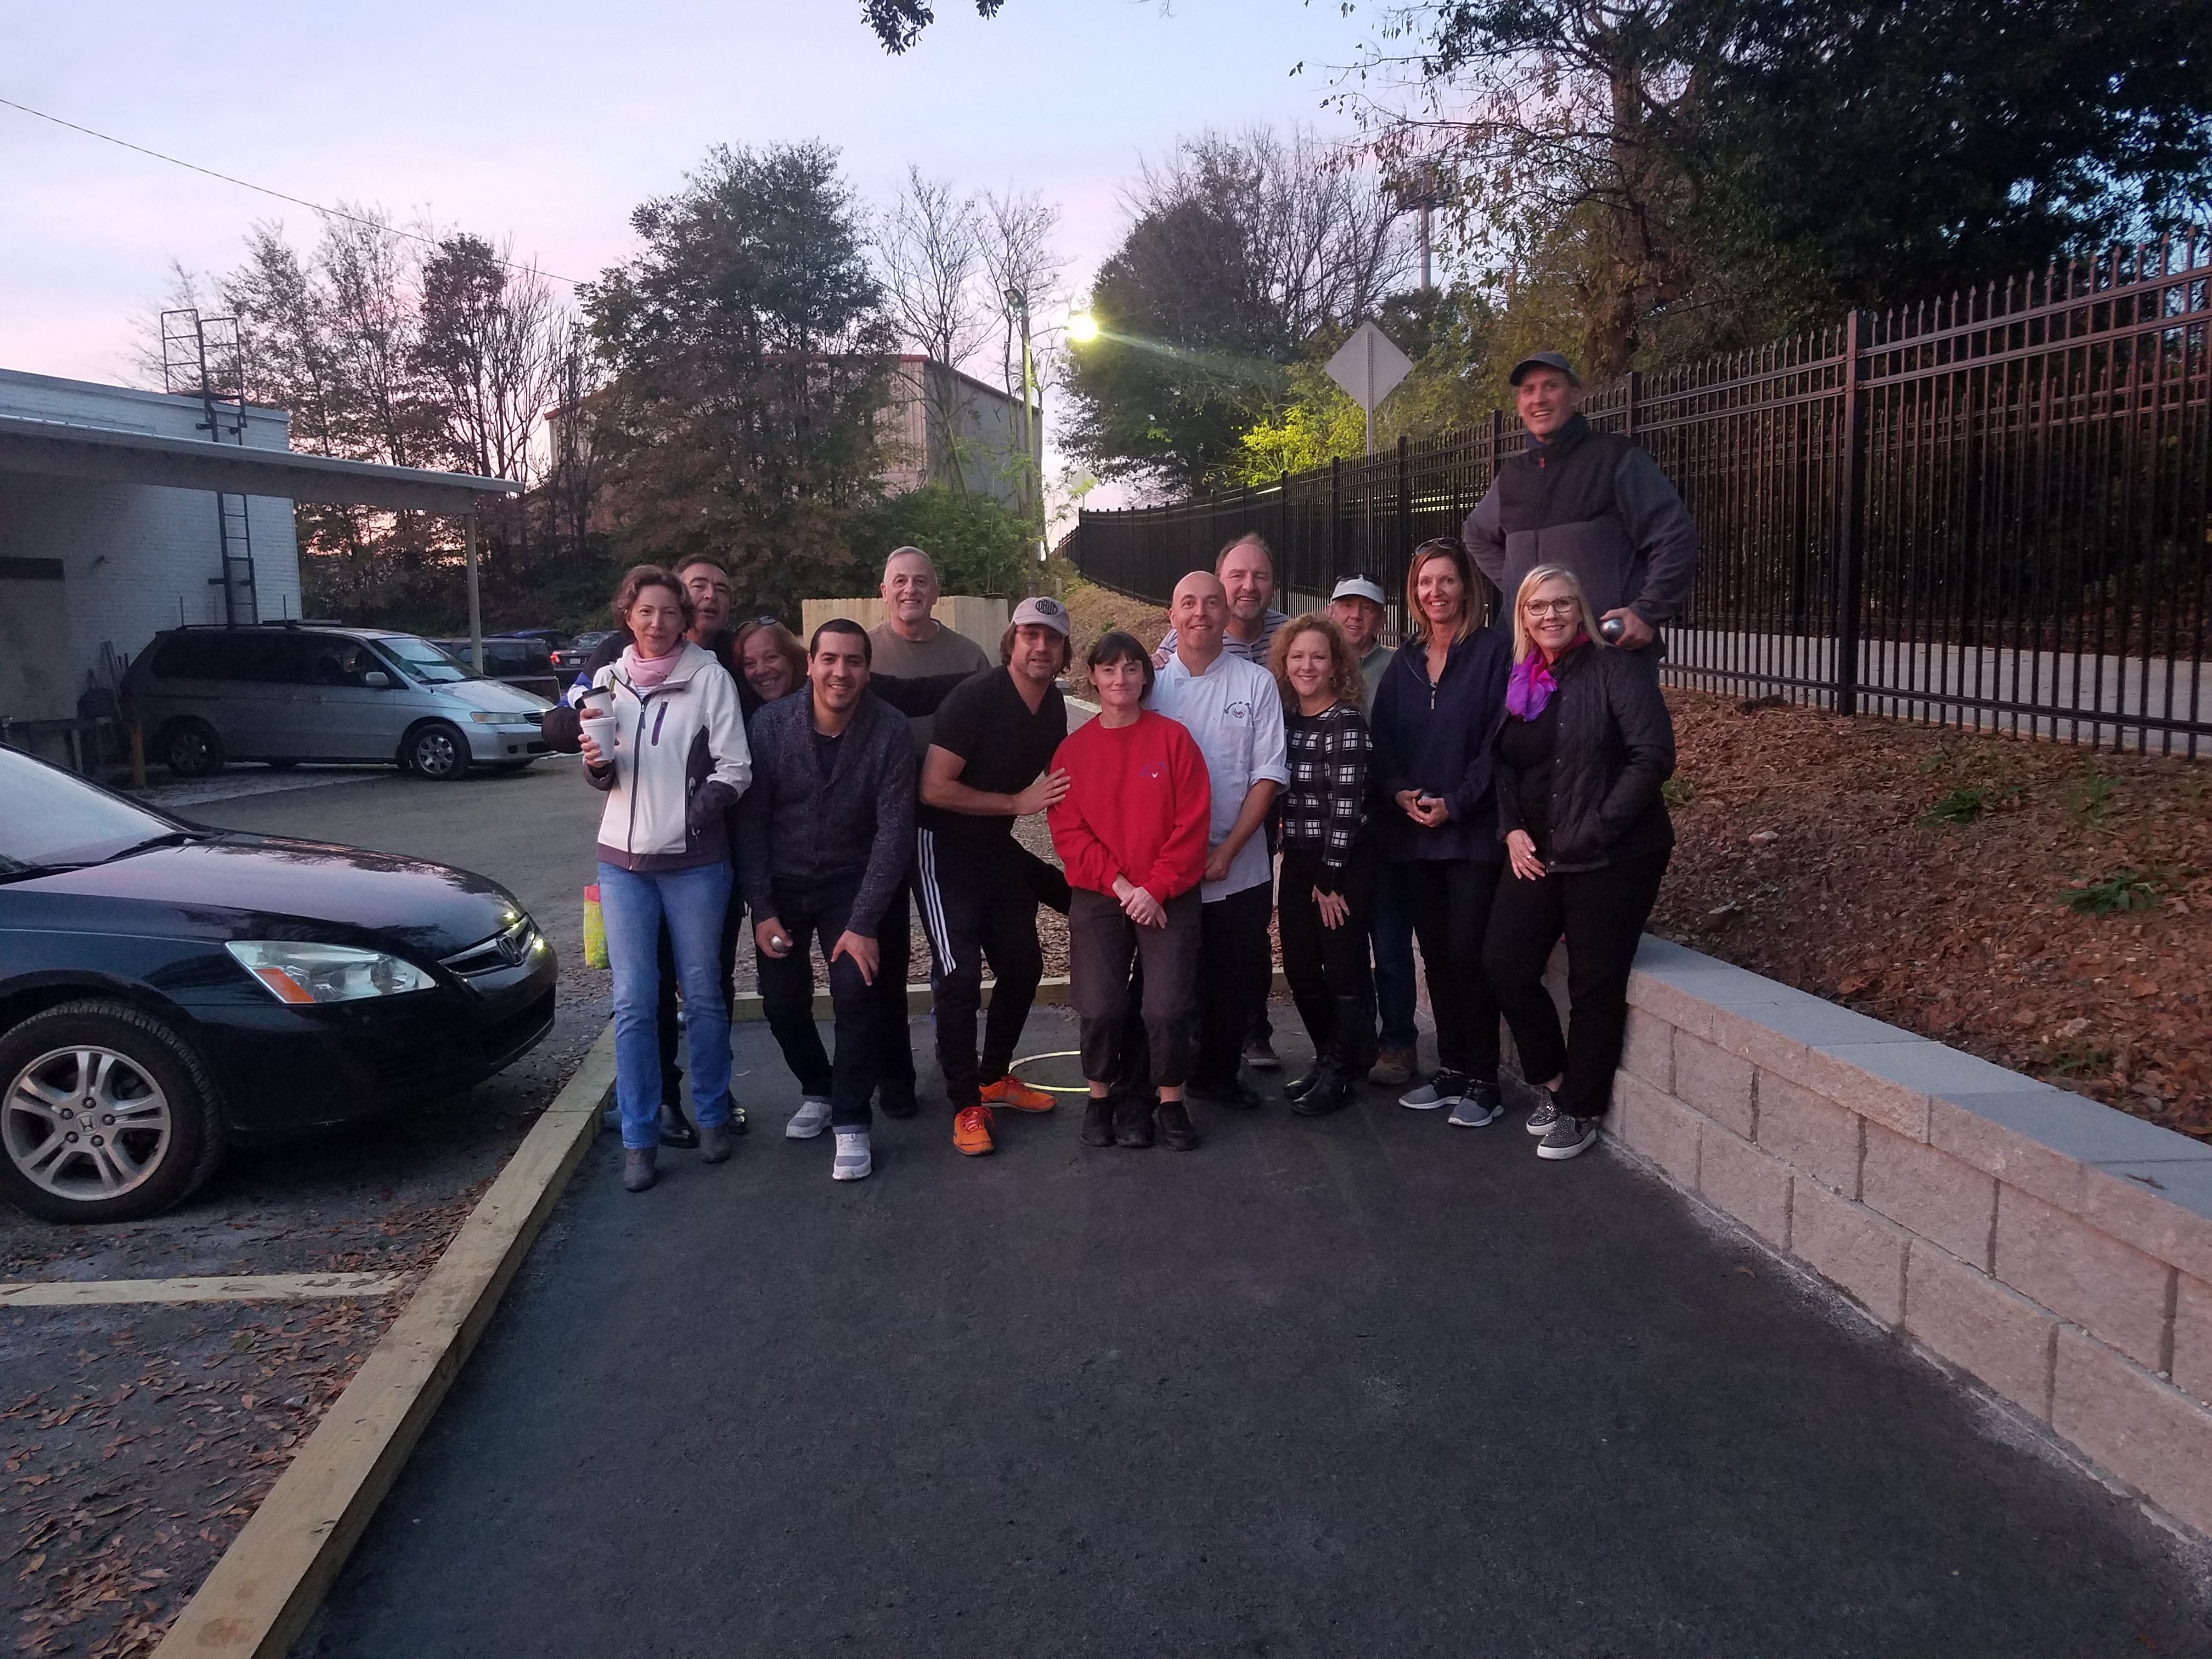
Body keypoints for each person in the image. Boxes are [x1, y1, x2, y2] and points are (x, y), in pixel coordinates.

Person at [550, 553, 747, 1149]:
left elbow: (736, 767)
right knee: (634, 1000)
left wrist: (695, 810)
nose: (657, 623)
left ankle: (712, 1115)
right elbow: (603, 769)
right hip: (623, 865)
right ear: (628, 617)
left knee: (704, 995)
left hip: (695, 864)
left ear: (683, 619)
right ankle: (640, 1133)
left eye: (668, 613)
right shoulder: (609, 681)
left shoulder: (710, 678)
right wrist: (596, 766)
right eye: (645, 612)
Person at [1484, 565, 1677, 1161]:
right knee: (1504, 963)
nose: (1551, 615)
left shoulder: (1614, 668)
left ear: (1581, 610)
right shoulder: (1523, 679)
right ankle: (1554, 1082)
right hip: (1541, 850)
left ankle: (1581, 1108)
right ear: (1522, 616)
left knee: (1595, 981)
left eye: (1562, 603)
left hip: (1614, 854)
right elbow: (1502, 764)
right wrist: (1511, 829)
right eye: (1537, 606)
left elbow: (1652, 756)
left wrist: (1597, 828)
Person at [737, 620, 919, 1182]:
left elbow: (895, 832)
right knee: (780, 1003)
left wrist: (864, 921)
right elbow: (751, 824)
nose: (841, 672)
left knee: (856, 995)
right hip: (784, 885)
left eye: (854, 661)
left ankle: (851, 1120)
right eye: (830, 660)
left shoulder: (890, 730)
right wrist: (762, 907)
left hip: (852, 883)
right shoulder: (770, 726)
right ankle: (819, 1087)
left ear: (868, 670)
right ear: (811, 665)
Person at [915, 596, 1076, 1157]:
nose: (1040, 646)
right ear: (1012, 641)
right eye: (1030, 634)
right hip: (940, 847)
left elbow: (1066, 782)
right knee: (958, 977)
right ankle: (965, 1105)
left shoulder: (1053, 705)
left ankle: (992, 1077)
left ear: (1063, 652)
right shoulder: (976, 697)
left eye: (1052, 638)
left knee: (1024, 966)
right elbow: (933, 789)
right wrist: (1016, 802)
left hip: (993, 847)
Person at [1368, 538, 1513, 1127]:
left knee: (1468, 954)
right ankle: (1451, 1068)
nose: (1436, 592)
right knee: (1436, 956)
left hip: (1472, 836)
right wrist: (1398, 791)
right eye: (1426, 582)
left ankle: (1484, 1079)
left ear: (1466, 586)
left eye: (1447, 580)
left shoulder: (1494, 653)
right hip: (1415, 836)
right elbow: (1384, 741)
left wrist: (1458, 803)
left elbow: (1499, 744)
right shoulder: (1405, 661)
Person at [1048, 632, 1211, 1152]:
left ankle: (1170, 1100)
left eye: (1131, 668)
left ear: (1145, 676)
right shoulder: (1073, 751)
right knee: (1100, 1006)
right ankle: (1101, 1097)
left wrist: (1155, 888)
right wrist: (1122, 886)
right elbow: (1069, 832)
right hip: (1102, 893)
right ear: (1092, 678)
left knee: (1166, 1007)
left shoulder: (1174, 740)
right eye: (1109, 669)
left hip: (1167, 893)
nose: (1120, 678)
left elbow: (1192, 824)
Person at [1147, 571, 1288, 1109]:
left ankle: (1220, 1077)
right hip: (1167, 869)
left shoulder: (1256, 684)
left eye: (1211, 603)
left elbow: (1267, 775)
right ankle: (1162, 1080)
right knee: (1171, 984)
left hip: (1240, 865)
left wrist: (1228, 851)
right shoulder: (1151, 687)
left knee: (1234, 982)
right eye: (1188, 603)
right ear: (1172, 616)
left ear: (1226, 613)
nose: (1200, 613)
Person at [1461, 352, 1698, 658]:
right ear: (1519, 405)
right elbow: (1475, 535)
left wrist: (1647, 611)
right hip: (1532, 656)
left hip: (1608, 650)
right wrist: (1519, 584)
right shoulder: (1512, 477)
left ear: (1575, 394)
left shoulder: (1616, 458)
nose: (1539, 399)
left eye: (1551, 386)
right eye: (1528, 390)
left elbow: (1675, 536)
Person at [1268, 614, 1375, 1118]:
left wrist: (1330, 878)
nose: (1307, 666)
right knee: (1300, 967)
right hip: (1298, 859)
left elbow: (1348, 806)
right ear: (1285, 664)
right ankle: (1328, 1056)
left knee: (1344, 968)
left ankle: (1341, 1072)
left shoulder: (1345, 722)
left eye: (1318, 657)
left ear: (1336, 666)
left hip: (1341, 862)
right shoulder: (1288, 721)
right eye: (1298, 657)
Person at [1328, 574, 1418, 1088]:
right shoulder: (1318, 665)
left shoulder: (1398, 668)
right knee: (1343, 947)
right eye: (1346, 606)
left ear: (1381, 618)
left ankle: (1398, 1042)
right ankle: (1353, 1041)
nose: (1354, 616)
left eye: (1365, 608)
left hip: (1384, 827)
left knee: (1389, 943)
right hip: (1333, 833)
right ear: (1332, 611)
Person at [868, 546, 991, 754]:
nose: (910, 589)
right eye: (900, 581)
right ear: (885, 592)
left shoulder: (971, 658)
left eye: (920, 581)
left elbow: (991, 729)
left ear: (936, 593)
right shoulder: (860, 655)